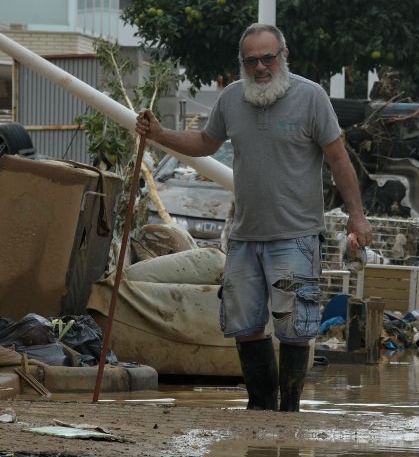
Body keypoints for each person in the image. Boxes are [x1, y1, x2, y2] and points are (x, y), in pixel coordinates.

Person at [136, 23, 373, 412]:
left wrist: (357, 216)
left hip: (295, 235)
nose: (261, 67)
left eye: (268, 58)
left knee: (294, 330)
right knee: (244, 328)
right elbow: (204, 143)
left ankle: (290, 412)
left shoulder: (311, 97)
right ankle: (260, 410)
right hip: (245, 238)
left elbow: (338, 159)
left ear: (283, 54)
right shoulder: (232, 99)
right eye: (252, 61)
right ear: (242, 64)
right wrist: (160, 134)